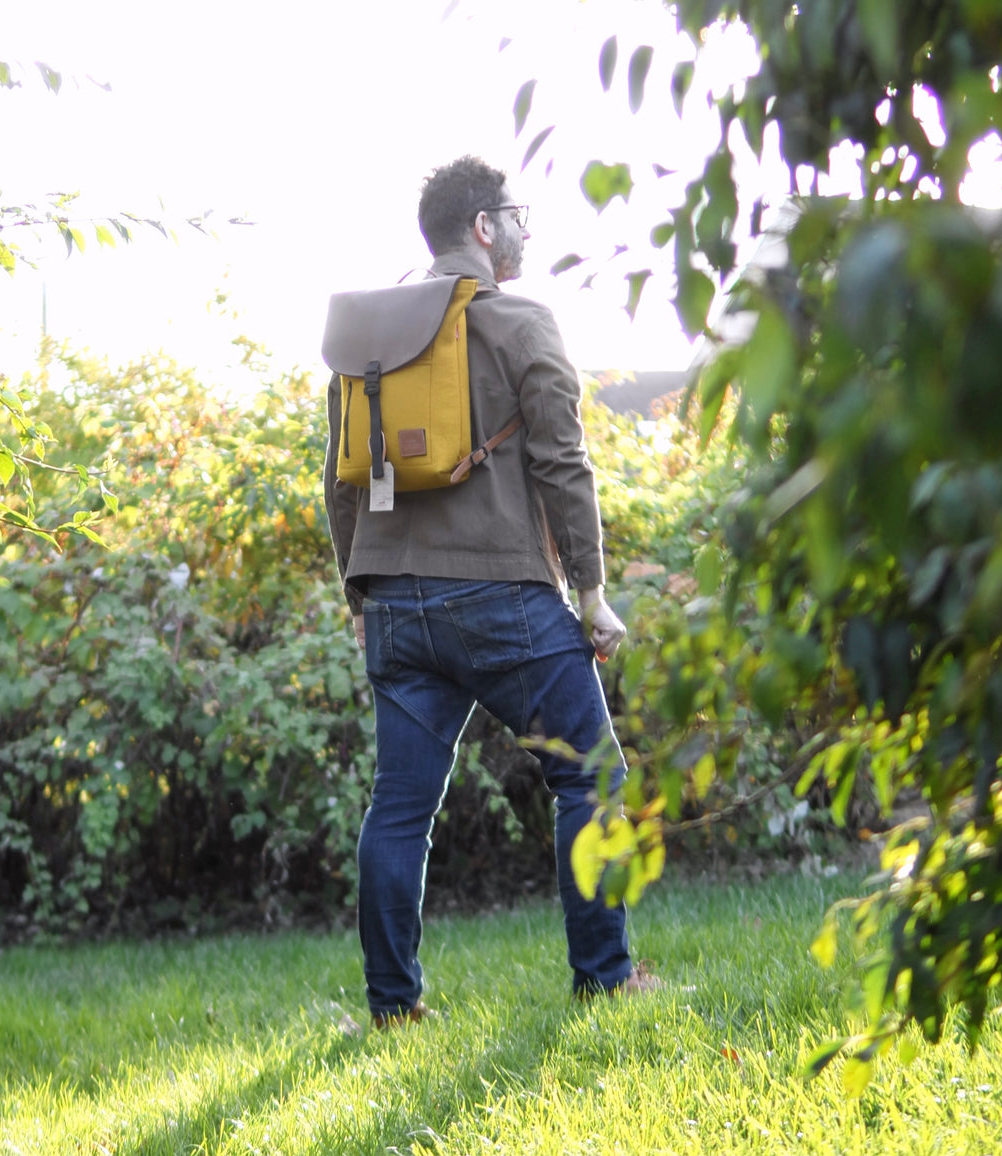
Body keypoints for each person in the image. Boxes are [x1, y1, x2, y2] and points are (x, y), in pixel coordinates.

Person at [323, 155, 654, 1028]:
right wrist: (590, 591)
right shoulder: (520, 321)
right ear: (482, 226)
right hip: (502, 594)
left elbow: (339, 482)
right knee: (589, 774)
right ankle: (605, 978)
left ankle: (394, 1007)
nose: (525, 231)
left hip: (394, 603)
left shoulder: (362, 337)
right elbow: (562, 462)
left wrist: (361, 599)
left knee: (400, 807)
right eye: (516, 215)